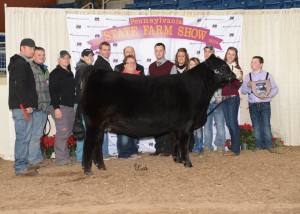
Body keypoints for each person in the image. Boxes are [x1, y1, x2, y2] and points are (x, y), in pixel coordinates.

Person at [8, 38, 39, 176]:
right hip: (22, 107)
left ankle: (24, 164)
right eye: (31, 48)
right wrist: (26, 105)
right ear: (23, 48)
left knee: (25, 137)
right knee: (22, 137)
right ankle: (20, 167)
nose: (33, 50)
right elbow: (19, 86)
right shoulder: (20, 64)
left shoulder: (22, 63)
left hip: (22, 106)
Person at [241, 56, 278, 151]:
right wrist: (249, 86)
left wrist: (268, 95)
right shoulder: (248, 77)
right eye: (251, 62)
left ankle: (269, 145)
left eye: (255, 62)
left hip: (265, 103)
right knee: (256, 125)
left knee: (266, 124)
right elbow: (243, 91)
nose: (252, 64)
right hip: (253, 104)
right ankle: (258, 145)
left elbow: (275, 88)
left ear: (261, 64)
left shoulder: (268, 75)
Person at [49, 50, 75, 166]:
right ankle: (60, 159)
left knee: (68, 132)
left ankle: (65, 156)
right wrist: (56, 107)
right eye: (64, 58)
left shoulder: (70, 73)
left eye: (68, 58)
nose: (66, 60)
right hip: (60, 106)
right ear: (59, 59)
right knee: (62, 132)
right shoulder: (55, 73)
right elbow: (52, 92)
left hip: (69, 106)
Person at [149, 43, 174, 156]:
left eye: (160, 50)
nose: (158, 53)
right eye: (156, 50)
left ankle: (168, 149)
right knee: (156, 125)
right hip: (155, 102)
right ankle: (158, 148)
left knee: (168, 125)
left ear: (164, 52)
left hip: (168, 101)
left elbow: (175, 85)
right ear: (154, 52)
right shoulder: (151, 67)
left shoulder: (171, 66)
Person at [28, 47, 51, 166]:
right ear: (33, 56)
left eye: (43, 55)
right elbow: (29, 88)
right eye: (39, 55)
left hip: (44, 105)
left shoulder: (44, 69)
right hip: (36, 106)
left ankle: (37, 157)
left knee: (38, 134)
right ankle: (32, 159)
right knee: (36, 134)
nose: (41, 57)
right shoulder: (31, 68)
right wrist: (30, 104)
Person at [117, 55, 142, 159]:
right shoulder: (120, 78)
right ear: (124, 65)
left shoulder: (140, 78)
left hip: (137, 110)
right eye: (129, 63)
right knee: (124, 132)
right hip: (124, 110)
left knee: (135, 131)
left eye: (134, 63)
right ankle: (123, 153)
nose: (132, 65)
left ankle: (133, 150)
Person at [202, 45, 226, 152]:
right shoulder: (202, 66)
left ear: (213, 53)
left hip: (217, 100)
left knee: (220, 124)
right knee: (207, 125)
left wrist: (219, 96)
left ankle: (220, 145)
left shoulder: (218, 65)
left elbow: (221, 81)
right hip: (207, 101)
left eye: (209, 52)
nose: (207, 54)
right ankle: (207, 146)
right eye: (205, 52)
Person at [74, 48, 94, 163]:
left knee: (84, 129)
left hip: (84, 103)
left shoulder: (84, 68)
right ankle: (81, 157)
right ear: (82, 58)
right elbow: (82, 88)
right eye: (87, 56)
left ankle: (83, 156)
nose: (90, 57)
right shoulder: (83, 69)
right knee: (82, 130)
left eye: (91, 55)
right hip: (83, 104)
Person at [222, 47, 243, 156]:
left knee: (233, 123)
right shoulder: (222, 67)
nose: (230, 56)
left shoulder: (237, 68)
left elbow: (237, 85)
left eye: (233, 54)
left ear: (235, 56)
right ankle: (234, 146)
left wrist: (235, 77)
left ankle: (236, 149)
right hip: (224, 99)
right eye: (229, 54)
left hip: (232, 98)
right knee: (229, 123)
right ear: (226, 54)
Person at [93, 42, 112, 159]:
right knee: (101, 127)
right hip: (102, 100)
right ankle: (101, 153)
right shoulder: (100, 63)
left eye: (108, 49)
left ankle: (104, 152)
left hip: (104, 99)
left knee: (103, 127)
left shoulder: (103, 62)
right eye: (104, 50)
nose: (107, 52)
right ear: (100, 51)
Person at [188, 57, 204, 155]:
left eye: (195, 64)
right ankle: (194, 146)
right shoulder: (187, 77)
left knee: (198, 129)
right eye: (191, 64)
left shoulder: (201, 78)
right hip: (189, 107)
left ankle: (199, 147)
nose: (193, 66)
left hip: (198, 106)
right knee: (191, 129)